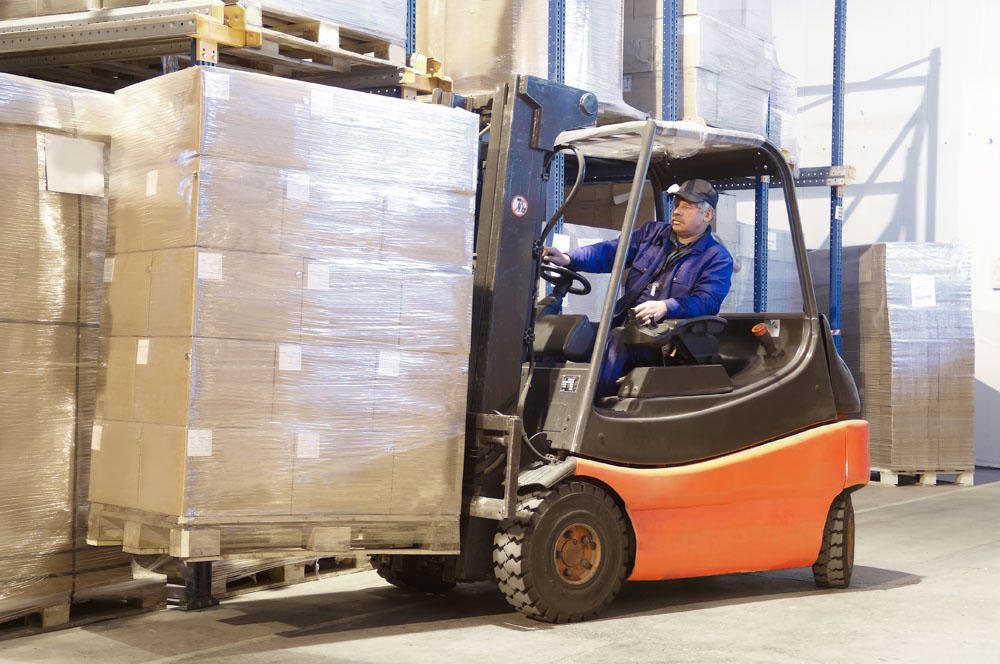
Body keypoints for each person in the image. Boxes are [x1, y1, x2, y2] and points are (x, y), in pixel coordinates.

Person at [542, 179, 734, 398]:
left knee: (617, 340)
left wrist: (666, 307)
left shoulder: (717, 258)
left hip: (666, 340)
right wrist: (569, 258)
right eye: (676, 204)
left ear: (707, 215)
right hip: (626, 326)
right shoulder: (652, 234)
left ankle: (589, 408)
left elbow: (706, 302)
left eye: (687, 207)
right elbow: (611, 251)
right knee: (566, 333)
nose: (677, 211)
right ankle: (540, 403)